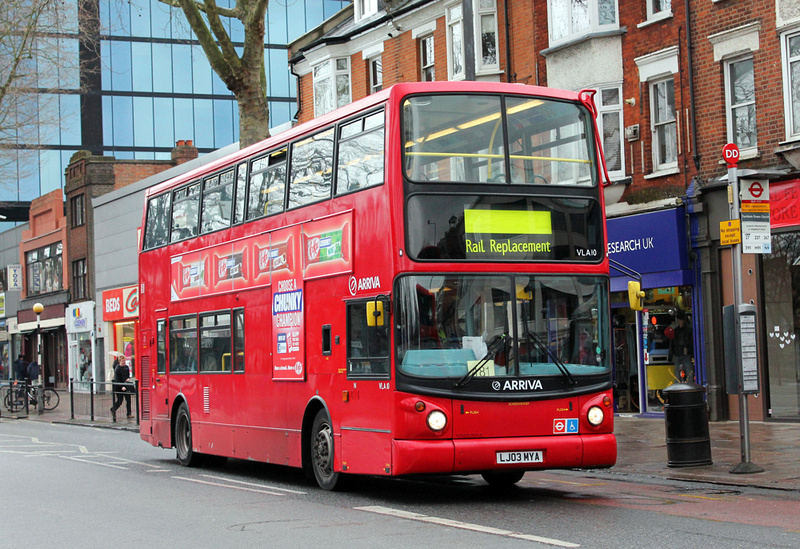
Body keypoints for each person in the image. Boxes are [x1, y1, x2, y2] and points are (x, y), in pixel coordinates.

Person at [671, 311, 694, 382]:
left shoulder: (687, 330)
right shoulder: (677, 331)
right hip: (680, 353)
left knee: (688, 373)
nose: (681, 321)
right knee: (685, 373)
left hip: (683, 354)